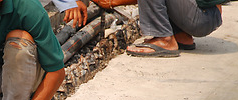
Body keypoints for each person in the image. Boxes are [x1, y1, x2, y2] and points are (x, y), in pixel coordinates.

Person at [91, 0, 224, 57]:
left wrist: (113, 2)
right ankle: (181, 36)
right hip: (208, 15)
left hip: (201, 16)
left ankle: (165, 40)